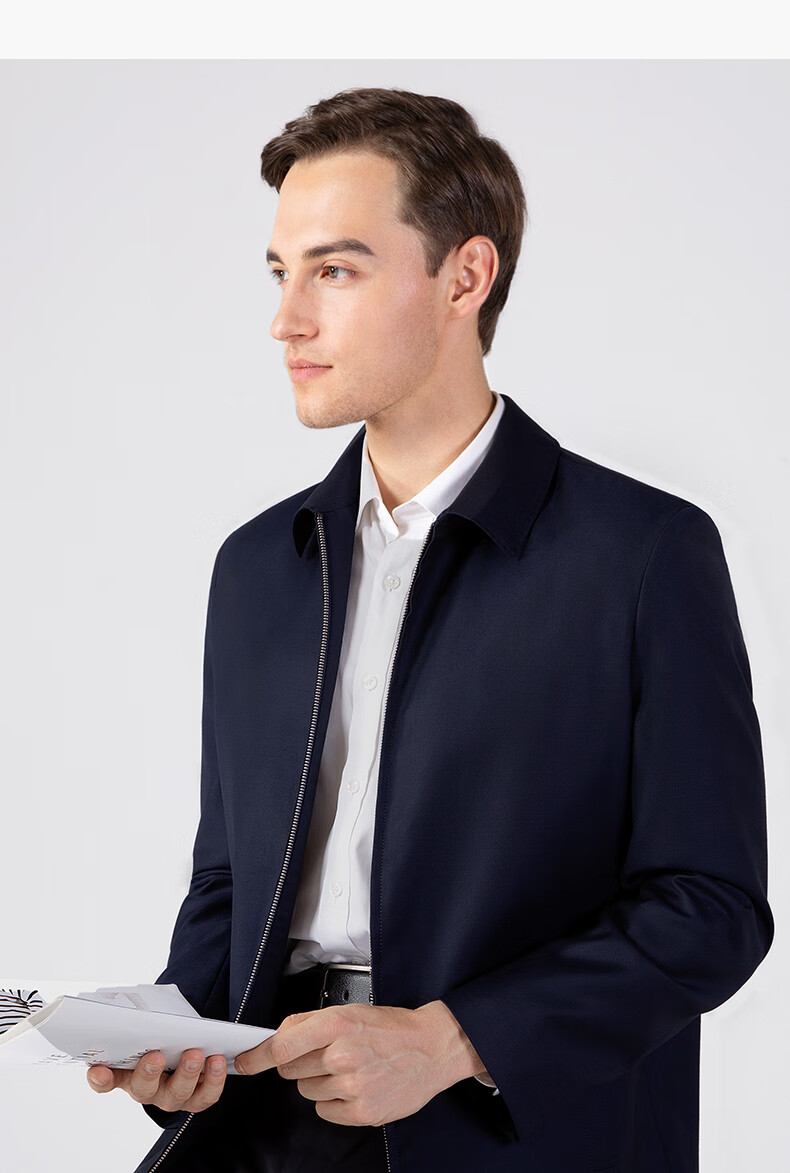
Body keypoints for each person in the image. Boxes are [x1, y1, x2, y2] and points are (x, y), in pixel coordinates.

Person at [88, 87, 773, 1173]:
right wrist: (184, 1034)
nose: (286, 320)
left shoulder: (642, 554)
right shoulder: (260, 567)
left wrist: (453, 1041)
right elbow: (229, 881)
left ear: (465, 276)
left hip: (510, 1132)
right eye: (281, 272)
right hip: (267, 1127)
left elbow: (710, 909)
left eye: (335, 271)